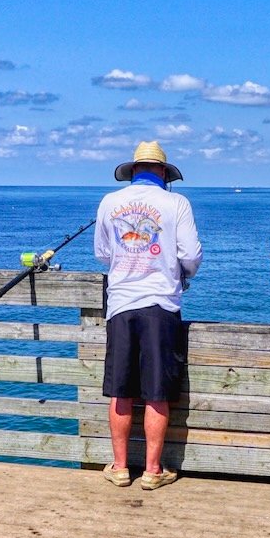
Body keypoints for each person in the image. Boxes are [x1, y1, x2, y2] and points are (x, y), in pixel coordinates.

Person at [94, 140, 202, 490]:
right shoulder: (177, 203)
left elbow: (102, 253)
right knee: (157, 392)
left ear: (133, 171)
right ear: (163, 172)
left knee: (120, 391)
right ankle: (153, 471)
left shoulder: (110, 201)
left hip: (121, 304)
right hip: (161, 305)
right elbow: (191, 254)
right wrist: (181, 272)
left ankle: (120, 467)